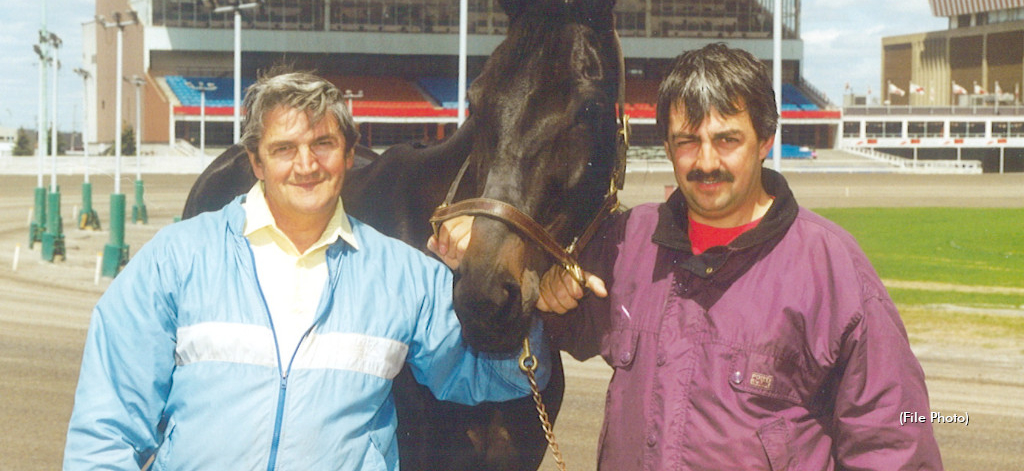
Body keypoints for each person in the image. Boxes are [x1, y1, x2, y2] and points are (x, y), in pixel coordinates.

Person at [433, 44, 943, 470]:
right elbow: (549, 328)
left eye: (727, 140)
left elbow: (894, 434)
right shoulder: (624, 241)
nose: (705, 161)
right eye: (687, 141)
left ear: (765, 140)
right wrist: (541, 293)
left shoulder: (831, 266)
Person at [63, 71, 548, 471]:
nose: (306, 164)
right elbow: (106, 429)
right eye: (283, 149)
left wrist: (533, 297)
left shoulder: (405, 274)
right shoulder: (175, 259)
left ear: (350, 154)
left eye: (323, 144)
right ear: (255, 160)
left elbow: (493, 376)